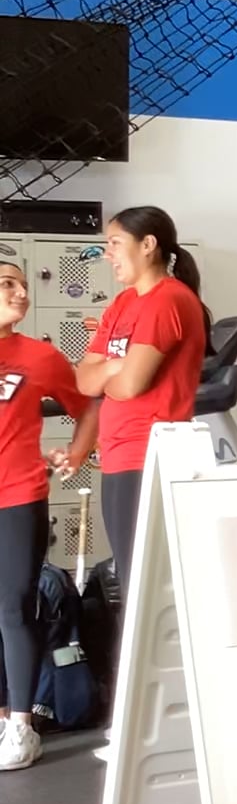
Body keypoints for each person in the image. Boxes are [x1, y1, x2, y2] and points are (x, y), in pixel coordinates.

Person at [75, 206, 209, 593]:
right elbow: (84, 380)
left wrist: (109, 372)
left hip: (149, 454)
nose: (108, 254)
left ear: (148, 245)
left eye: (115, 243)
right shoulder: (123, 303)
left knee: (145, 584)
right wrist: (116, 367)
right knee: (132, 577)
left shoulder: (168, 300)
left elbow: (130, 386)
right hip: (119, 454)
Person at [0, 261, 99, 771]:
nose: (21, 292)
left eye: (22, 284)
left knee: (14, 608)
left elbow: (88, 406)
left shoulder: (40, 356)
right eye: (7, 284)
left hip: (18, 496)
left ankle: (22, 725)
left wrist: (76, 453)